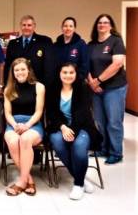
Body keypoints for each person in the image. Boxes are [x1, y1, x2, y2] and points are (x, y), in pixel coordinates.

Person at [46, 62, 102, 200]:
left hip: (82, 126)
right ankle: (81, 180)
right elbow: (52, 113)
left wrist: (72, 130)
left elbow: (83, 114)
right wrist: (63, 127)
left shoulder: (83, 88)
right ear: (59, 74)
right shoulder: (52, 88)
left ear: (76, 74)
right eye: (64, 72)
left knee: (79, 145)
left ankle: (78, 184)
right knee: (57, 141)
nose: (68, 75)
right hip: (60, 126)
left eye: (71, 72)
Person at [87, 14, 127, 164]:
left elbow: (117, 64)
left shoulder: (116, 41)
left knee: (114, 121)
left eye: (106, 22)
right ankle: (103, 148)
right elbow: (86, 66)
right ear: (96, 26)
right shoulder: (91, 45)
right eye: (100, 22)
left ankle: (116, 153)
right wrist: (91, 82)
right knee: (100, 121)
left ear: (111, 26)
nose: (102, 25)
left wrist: (98, 81)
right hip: (96, 90)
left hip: (114, 87)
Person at [4, 58, 45, 196]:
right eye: (16, 70)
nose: (20, 72)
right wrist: (15, 125)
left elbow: (39, 111)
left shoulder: (39, 86)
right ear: (13, 72)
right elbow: (8, 113)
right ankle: (29, 179)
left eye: (22, 69)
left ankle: (21, 182)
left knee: (25, 140)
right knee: (13, 140)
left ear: (28, 70)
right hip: (13, 124)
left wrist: (27, 125)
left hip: (33, 124)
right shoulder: (8, 88)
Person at [5, 15, 55, 87]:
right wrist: (8, 85)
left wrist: (45, 86)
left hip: (38, 84)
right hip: (18, 85)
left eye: (29, 25)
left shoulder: (45, 41)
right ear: (20, 26)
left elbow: (49, 67)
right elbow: (8, 67)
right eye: (24, 25)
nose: (26, 27)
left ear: (34, 26)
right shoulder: (13, 44)